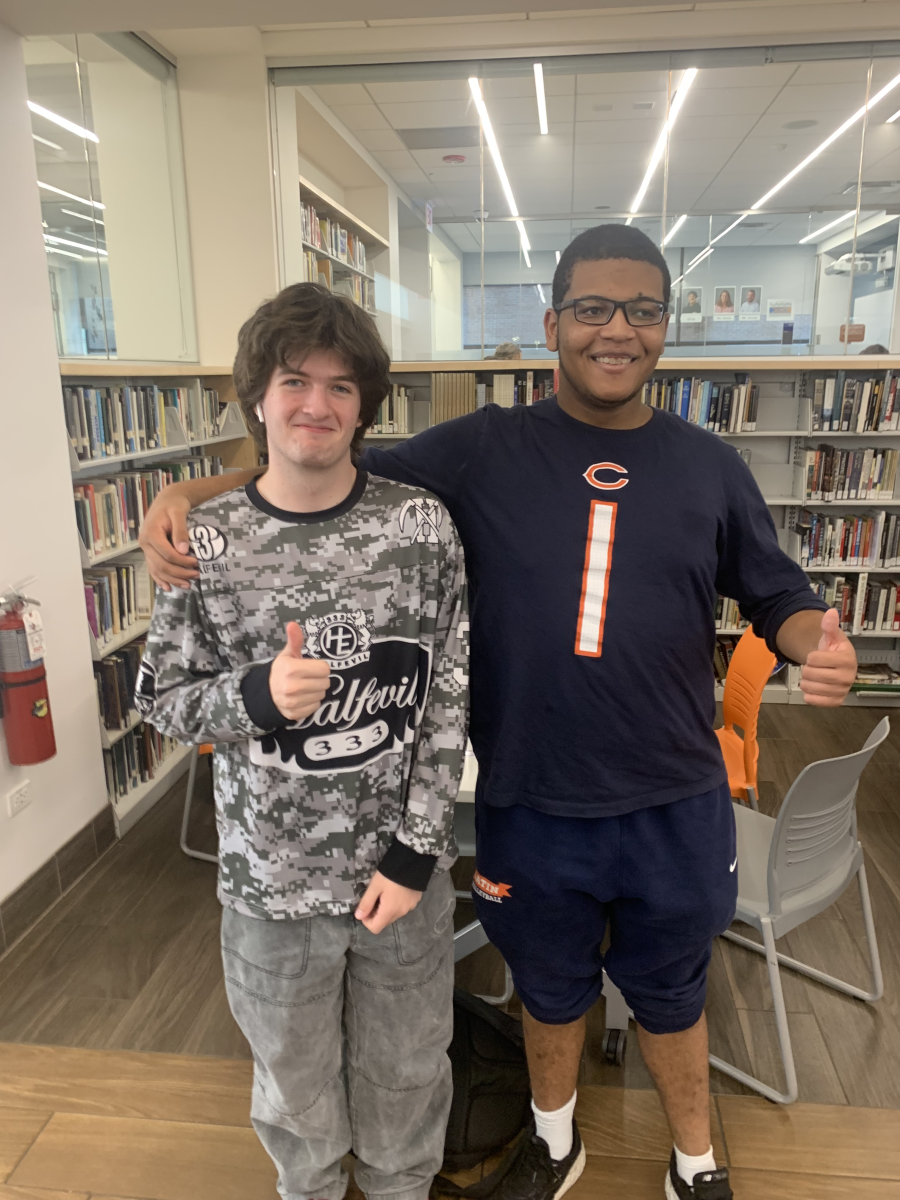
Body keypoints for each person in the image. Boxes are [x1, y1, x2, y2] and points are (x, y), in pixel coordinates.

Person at [140, 226, 858, 1200]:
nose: (619, 330)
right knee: (549, 989)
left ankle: (698, 1162)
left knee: (673, 990)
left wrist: (822, 641)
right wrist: (186, 491)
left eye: (643, 310)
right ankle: (556, 1145)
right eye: (594, 309)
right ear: (553, 323)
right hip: (531, 796)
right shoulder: (479, 452)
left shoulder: (709, 464)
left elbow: (780, 595)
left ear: (665, 326)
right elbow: (325, 455)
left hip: (673, 796)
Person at [136, 284, 468, 1200]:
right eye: (293, 380)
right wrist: (257, 695)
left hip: (399, 883)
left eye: (340, 386)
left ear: (365, 407)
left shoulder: (420, 529)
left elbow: (447, 699)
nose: (315, 405)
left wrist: (414, 855)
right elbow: (161, 699)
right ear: (256, 396)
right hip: (267, 883)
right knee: (293, 1096)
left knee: (407, 1082)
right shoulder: (205, 539)